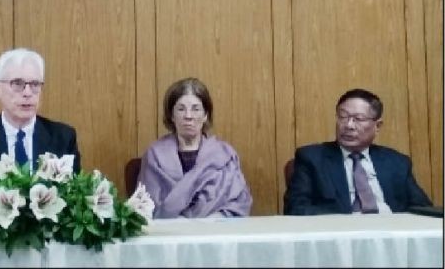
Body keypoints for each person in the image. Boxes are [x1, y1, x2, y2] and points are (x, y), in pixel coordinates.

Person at [284, 89, 431, 215]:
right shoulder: (312, 158)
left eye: (358, 119)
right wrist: (351, 220)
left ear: (377, 126)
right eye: (343, 116)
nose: (349, 125)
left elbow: (423, 209)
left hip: (390, 237)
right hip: (339, 239)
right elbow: (296, 209)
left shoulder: (397, 162)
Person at [0, 48, 81, 188]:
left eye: (35, 84)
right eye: (17, 84)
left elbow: (73, 195)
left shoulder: (63, 137)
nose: (27, 93)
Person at [137, 77, 252, 218]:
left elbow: (239, 203)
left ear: (205, 115)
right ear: (171, 116)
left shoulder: (225, 155)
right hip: (169, 233)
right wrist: (180, 224)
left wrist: (215, 220)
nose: (188, 116)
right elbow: (144, 205)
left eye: (196, 109)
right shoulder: (155, 155)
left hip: (216, 231)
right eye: (181, 109)